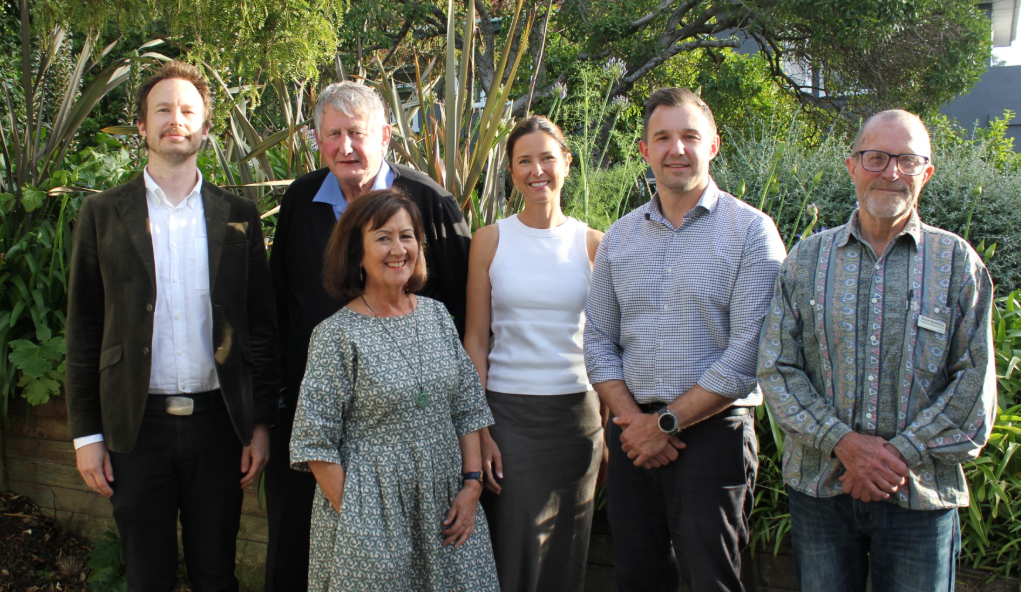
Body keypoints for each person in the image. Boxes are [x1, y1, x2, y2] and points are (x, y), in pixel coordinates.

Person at [757, 109, 997, 592]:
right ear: (852, 166)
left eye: (907, 160)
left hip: (920, 497)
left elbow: (975, 388)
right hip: (822, 491)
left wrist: (894, 457)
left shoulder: (957, 265)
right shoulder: (805, 260)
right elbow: (777, 369)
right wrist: (846, 445)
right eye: (876, 157)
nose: (891, 172)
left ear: (926, 173)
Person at [65, 61, 278, 592]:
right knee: (147, 576)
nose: (174, 119)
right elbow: (85, 327)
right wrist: (86, 435)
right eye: (162, 109)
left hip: (218, 427)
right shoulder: (102, 214)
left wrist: (259, 424)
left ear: (206, 127)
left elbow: (260, 328)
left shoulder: (238, 215)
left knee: (215, 573)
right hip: (135, 429)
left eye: (188, 110)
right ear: (142, 126)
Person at [265, 81, 472, 591]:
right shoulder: (300, 200)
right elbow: (275, 307)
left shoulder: (429, 200)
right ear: (318, 140)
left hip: (411, 438)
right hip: (314, 423)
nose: (345, 147)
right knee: (296, 557)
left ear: (384, 134)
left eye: (356, 133)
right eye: (333, 134)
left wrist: (472, 443)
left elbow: (465, 314)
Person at [584, 87, 786, 592]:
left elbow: (748, 351)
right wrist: (636, 423)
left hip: (714, 436)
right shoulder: (619, 238)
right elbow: (599, 342)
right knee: (638, 579)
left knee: (709, 582)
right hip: (632, 439)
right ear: (644, 151)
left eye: (690, 136)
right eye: (663, 137)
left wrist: (666, 424)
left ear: (713, 146)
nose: (677, 149)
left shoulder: (752, 233)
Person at [288, 189, 498, 591]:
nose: (397, 248)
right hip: (372, 512)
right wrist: (357, 518)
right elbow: (314, 443)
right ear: (357, 251)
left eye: (407, 236)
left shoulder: (437, 316)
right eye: (382, 237)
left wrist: (472, 485)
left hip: (447, 508)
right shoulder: (336, 335)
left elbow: (467, 406)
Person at [463, 115, 605, 592]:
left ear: (567, 162)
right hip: (509, 419)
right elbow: (477, 340)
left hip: (576, 423)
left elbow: (607, 344)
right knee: (513, 551)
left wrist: (605, 424)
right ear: (510, 170)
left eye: (547, 157)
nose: (537, 169)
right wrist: (478, 428)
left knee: (568, 549)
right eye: (524, 160)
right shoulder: (489, 240)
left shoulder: (594, 245)